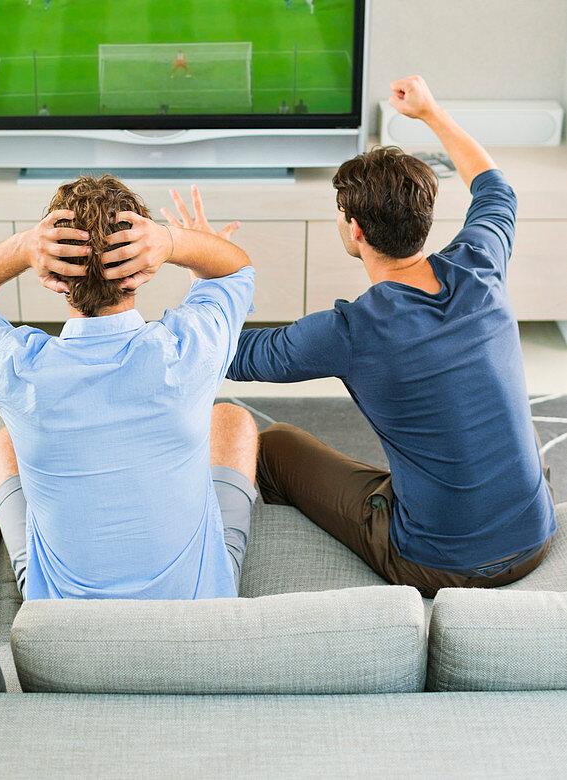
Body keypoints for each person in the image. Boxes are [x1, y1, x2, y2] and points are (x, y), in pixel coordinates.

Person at [227, 74, 556, 598]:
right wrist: (431, 112)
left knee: (275, 445)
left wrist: (209, 267)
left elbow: (234, 354)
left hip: (437, 564)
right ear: (425, 217)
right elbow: (495, 187)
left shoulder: (352, 330)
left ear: (355, 230)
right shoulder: (481, 265)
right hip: (535, 534)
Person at [0, 177, 258, 601]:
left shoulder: (18, 372)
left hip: (62, 630)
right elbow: (235, 269)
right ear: (142, 270)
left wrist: (24, 247)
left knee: (3, 445)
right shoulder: (187, 351)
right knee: (231, 420)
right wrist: (175, 241)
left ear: (53, 275)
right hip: (193, 619)